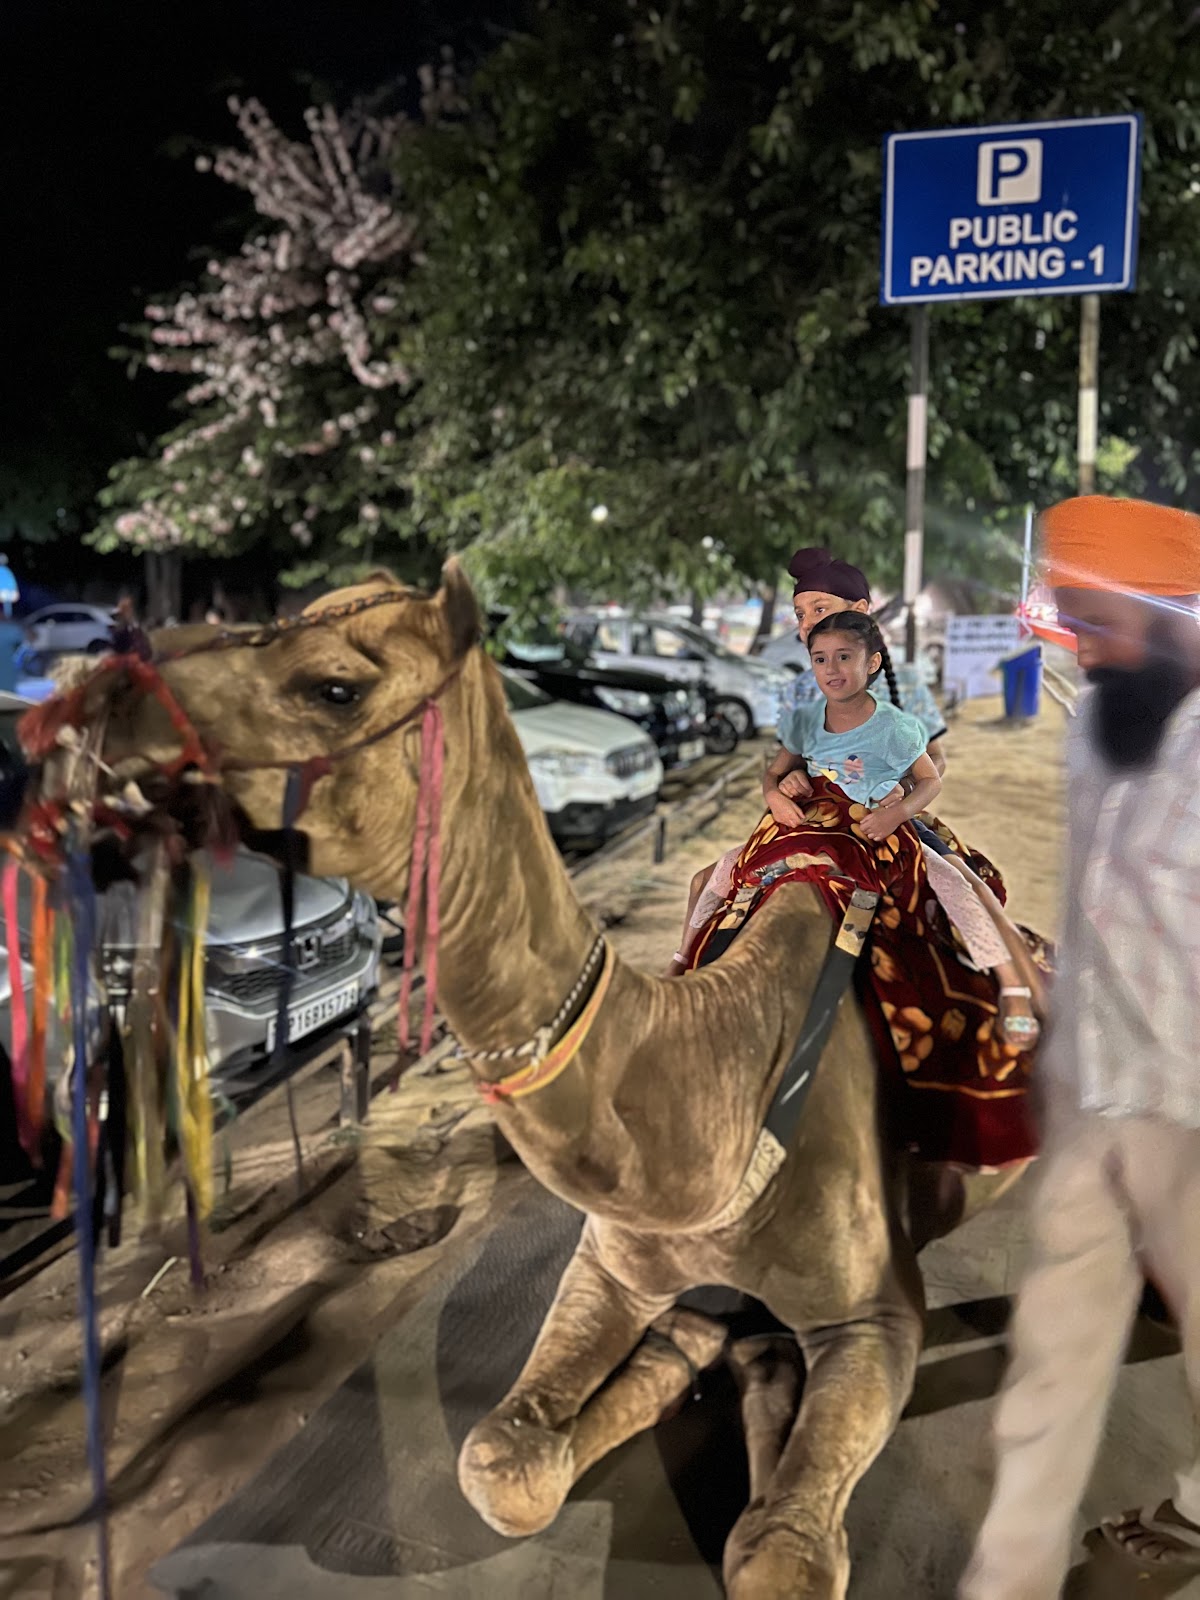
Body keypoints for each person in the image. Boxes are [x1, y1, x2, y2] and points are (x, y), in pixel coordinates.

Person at [960, 495, 1200, 1599]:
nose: (1086, 643)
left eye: (1104, 617)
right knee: (1049, 1368)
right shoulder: (1096, 726)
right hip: (1093, 1107)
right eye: (1077, 616)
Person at [670, 610, 1041, 1046]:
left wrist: (896, 814)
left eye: (844, 657)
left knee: (950, 882)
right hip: (810, 824)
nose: (832, 669)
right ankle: (682, 961)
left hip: (869, 827)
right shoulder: (805, 721)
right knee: (713, 876)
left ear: (872, 663)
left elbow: (930, 780)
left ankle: (1011, 983)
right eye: (821, 659)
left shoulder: (894, 727)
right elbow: (773, 774)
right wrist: (776, 794)